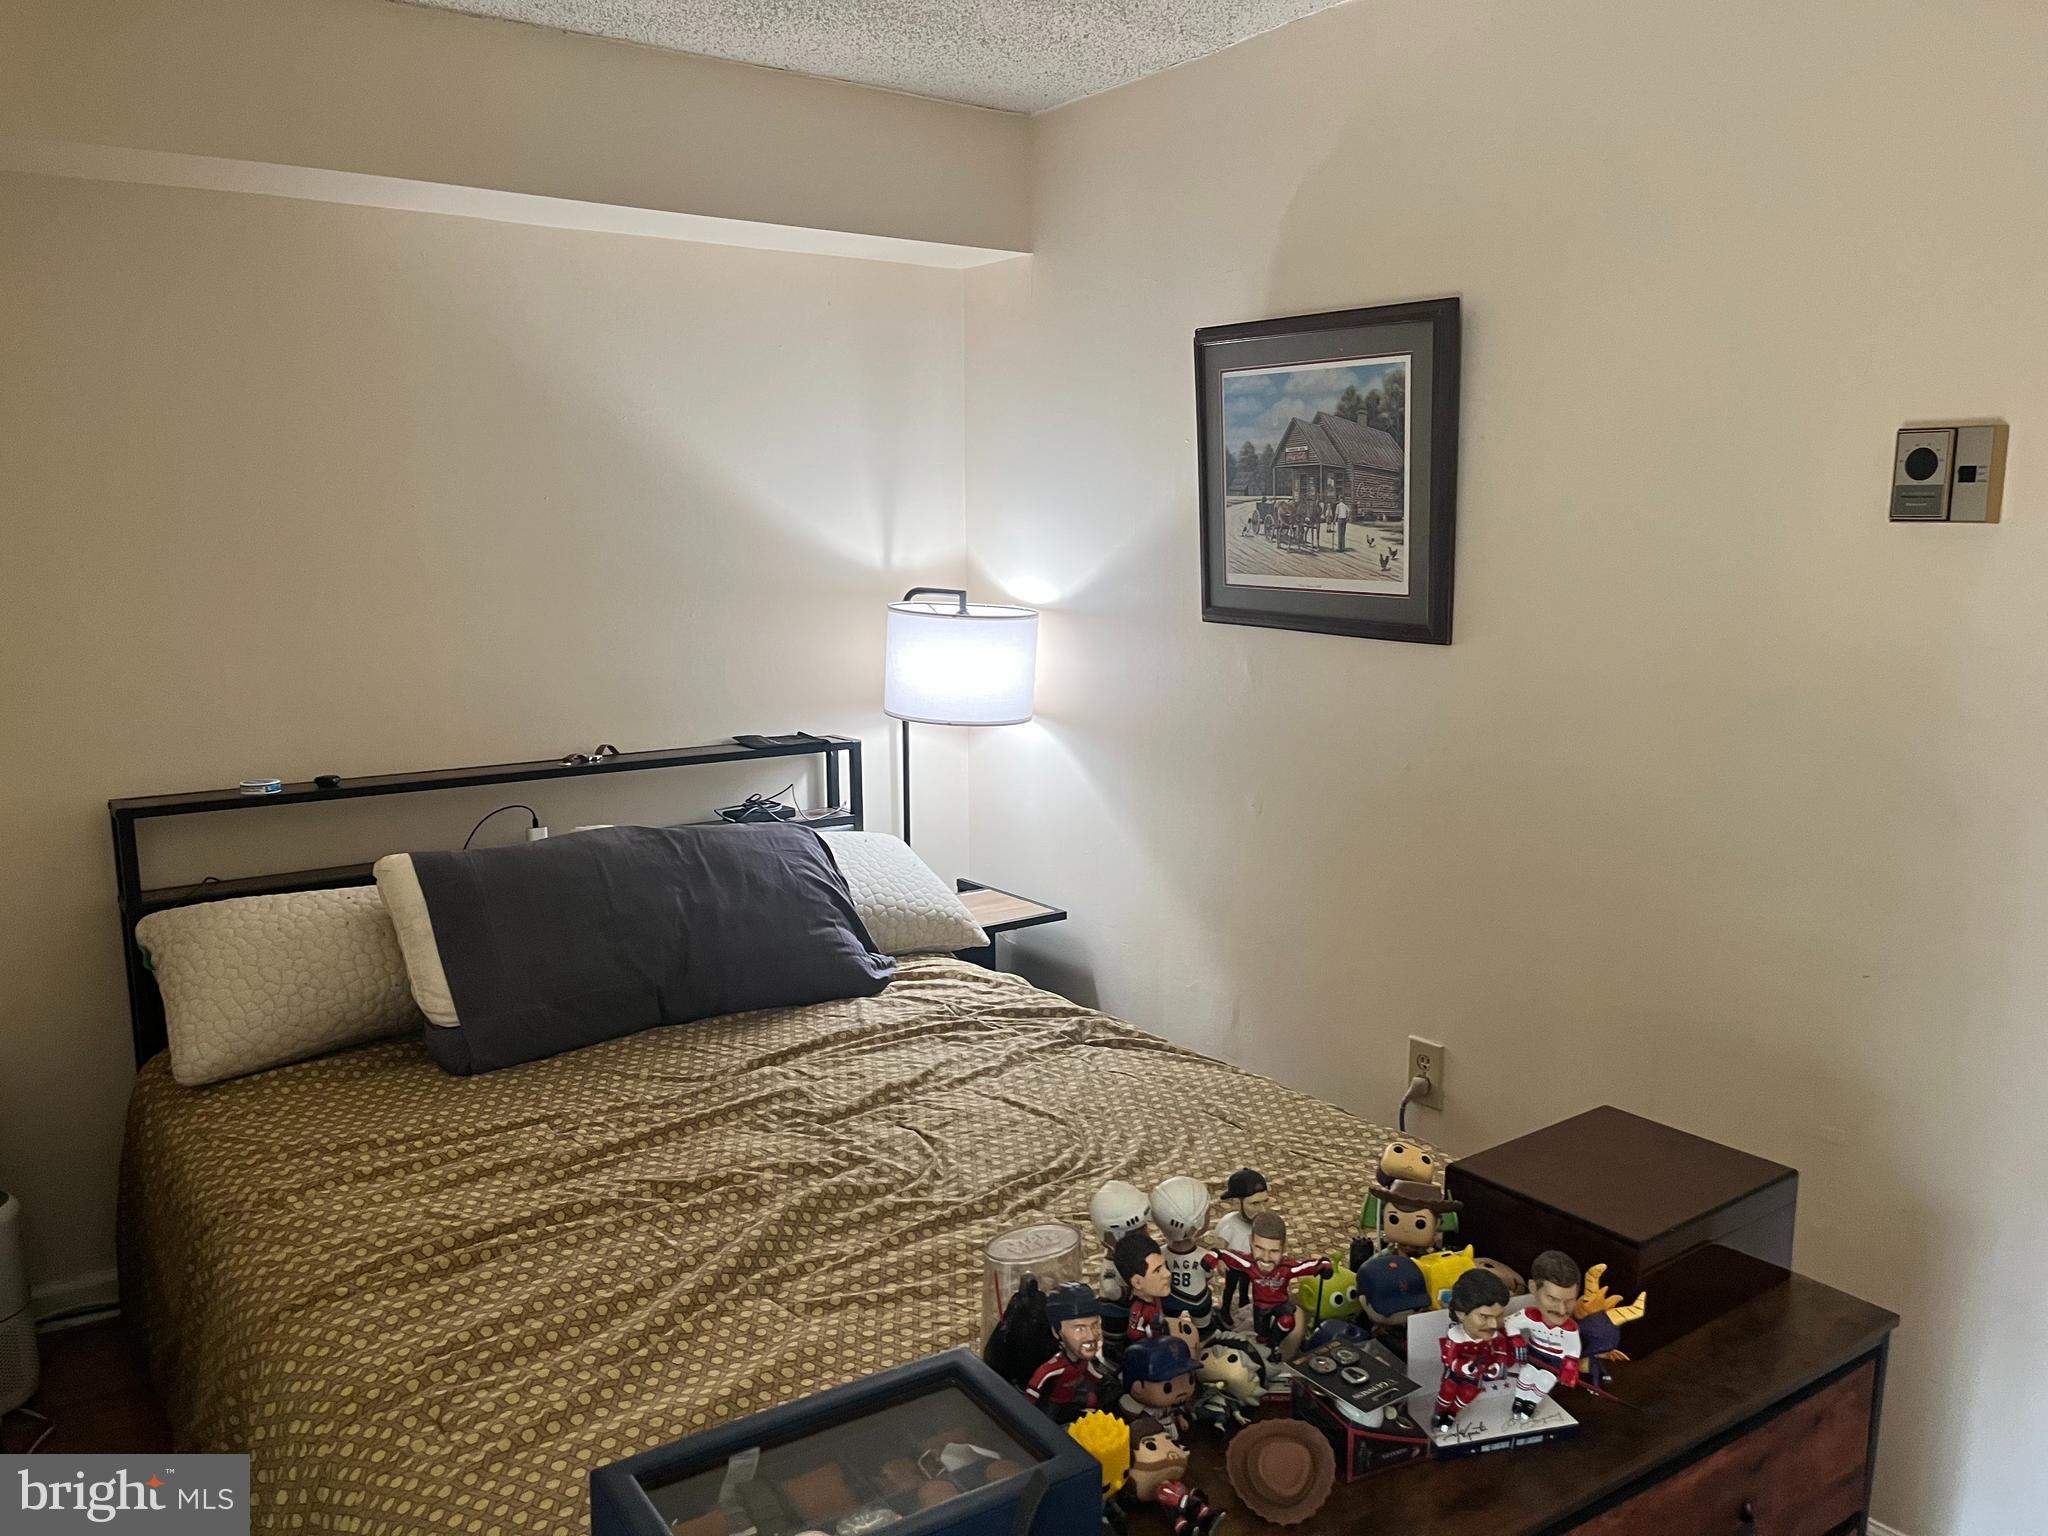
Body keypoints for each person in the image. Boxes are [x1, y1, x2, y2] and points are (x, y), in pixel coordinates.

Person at [1506, 1250, 1584, 1419]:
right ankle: (1520, 1400)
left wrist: (1569, 1368)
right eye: (1553, 1299)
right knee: (1526, 1374)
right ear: (1533, 1288)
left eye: (1569, 1301)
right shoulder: (1529, 1317)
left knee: (1545, 1381)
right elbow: (1510, 1323)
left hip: (1554, 1362)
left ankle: (1531, 1403)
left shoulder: (1570, 1330)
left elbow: (1573, 1352)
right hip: (1533, 1355)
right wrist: (1516, 1339)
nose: (1562, 1310)